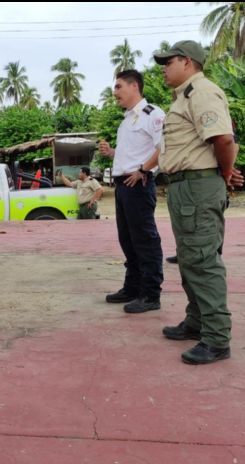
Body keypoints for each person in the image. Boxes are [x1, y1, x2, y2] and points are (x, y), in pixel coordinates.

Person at [153, 40, 244, 365]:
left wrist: (226, 171)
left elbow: (224, 139)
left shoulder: (202, 92)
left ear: (188, 62)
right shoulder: (184, 97)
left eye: (169, 62)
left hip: (197, 186)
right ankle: (197, 321)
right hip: (184, 187)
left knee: (203, 260)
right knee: (190, 259)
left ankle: (217, 338)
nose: (164, 69)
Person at [99, 69, 165, 314]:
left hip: (138, 184)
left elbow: (163, 147)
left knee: (145, 240)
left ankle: (150, 294)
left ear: (134, 86)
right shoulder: (127, 119)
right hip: (123, 185)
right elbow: (133, 153)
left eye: (118, 87)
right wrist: (112, 153)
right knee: (127, 239)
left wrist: (143, 170)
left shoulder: (153, 114)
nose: (114, 92)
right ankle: (133, 287)